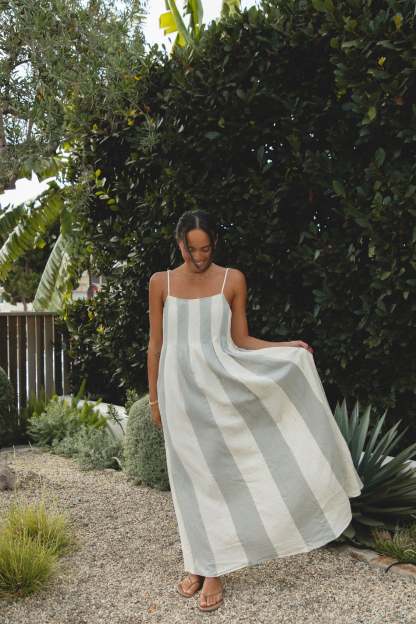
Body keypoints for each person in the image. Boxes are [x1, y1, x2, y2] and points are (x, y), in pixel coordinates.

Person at [147, 209, 364, 613]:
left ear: (215, 243)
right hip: (177, 395)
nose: (199, 257)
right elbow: (156, 345)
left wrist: (286, 349)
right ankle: (198, 561)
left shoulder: (232, 280)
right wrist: (155, 400)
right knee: (188, 481)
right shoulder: (161, 282)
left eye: (206, 249)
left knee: (217, 478)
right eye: (192, 249)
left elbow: (241, 340)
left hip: (219, 390)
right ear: (179, 245)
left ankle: (213, 570)